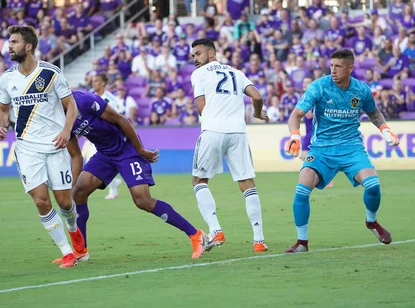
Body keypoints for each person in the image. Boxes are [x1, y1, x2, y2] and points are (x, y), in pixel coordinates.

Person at [65, 90, 207, 259]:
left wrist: (139, 149)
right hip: (105, 154)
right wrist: (71, 184)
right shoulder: (58, 118)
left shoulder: (84, 101)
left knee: (142, 200)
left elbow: (122, 120)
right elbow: (75, 155)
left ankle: (197, 235)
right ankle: (80, 251)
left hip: (127, 149)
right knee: (78, 192)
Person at [283, 49, 399, 253]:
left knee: (373, 186)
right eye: (331, 66)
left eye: (338, 67)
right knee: (301, 190)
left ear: (350, 68)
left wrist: (385, 129)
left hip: (351, 147)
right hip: (322, 149)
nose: (333, 71)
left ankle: (371, 222)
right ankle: (302, 242)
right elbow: (296, 114)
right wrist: (294, 136)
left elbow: (374, 113)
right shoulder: (319, 86)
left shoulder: (361, 90)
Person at [0, 25, 85, 269]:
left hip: (55, 145)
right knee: (41, 201)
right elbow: (2, 108)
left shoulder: (51, 73)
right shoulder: (7, 80)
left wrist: (66, 131)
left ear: (28, 46)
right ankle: (67, 252)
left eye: (13, 42)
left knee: (65, 202)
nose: (9, 46)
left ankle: (74, 230)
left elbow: (71, 106)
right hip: (26, 148)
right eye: (9, 42)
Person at [189, 38, 270, 252]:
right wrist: (256, 112)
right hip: (238, 132)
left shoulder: (199, 74)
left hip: (213, 131)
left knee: (199, 180)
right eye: (193, 56)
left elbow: (200, 108)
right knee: (247, 183)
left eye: (198, 54)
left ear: (211, 54)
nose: (195, 59)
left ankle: (216, 230)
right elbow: (257, 96)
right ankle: (259, 240)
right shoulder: (237, 73)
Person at [90, 73, 123, 200]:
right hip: (95, 135)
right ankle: (115, 182)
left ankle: (113, 191)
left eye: (96, 81)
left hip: (108, 135)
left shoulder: (109, 99)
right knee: (96, 162)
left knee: (106, 162)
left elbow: (115, 116)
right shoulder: (91, 96)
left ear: (103, 83)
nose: (94, 83)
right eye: (93, 81)